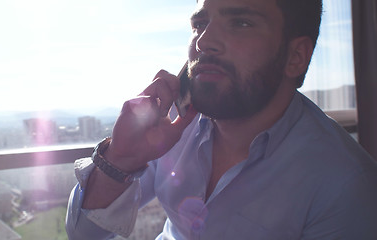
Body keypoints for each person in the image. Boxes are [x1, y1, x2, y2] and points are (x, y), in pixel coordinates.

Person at [66, 0, 377, 239]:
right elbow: (85, 234)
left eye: (241, 23)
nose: (203, 42)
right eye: (200, 24)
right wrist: (119, 160)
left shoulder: (346, 186)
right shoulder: (170, 125)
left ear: (295, 57)